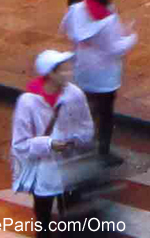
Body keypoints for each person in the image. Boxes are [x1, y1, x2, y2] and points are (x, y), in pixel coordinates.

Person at [11, 50, 94, 238]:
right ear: (50, 74)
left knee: (73, 223)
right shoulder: (27, 102)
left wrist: (74, 141)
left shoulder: (75, 95)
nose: (68, 73)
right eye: (62, 71)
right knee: (44, 221)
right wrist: (49, 144)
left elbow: (86, 127)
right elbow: (20, 144)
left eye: (68, 69)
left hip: (70, 169)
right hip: (43, 175)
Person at [60, 0, 137, 165]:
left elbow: (67, 30)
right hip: (105, 76)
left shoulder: (76, 10)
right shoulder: (107, 20)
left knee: (85, 111)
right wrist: (131, 38)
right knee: (105, 113)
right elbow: (114, 48)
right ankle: (103, 151)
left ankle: (77, 146)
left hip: (83, 70)